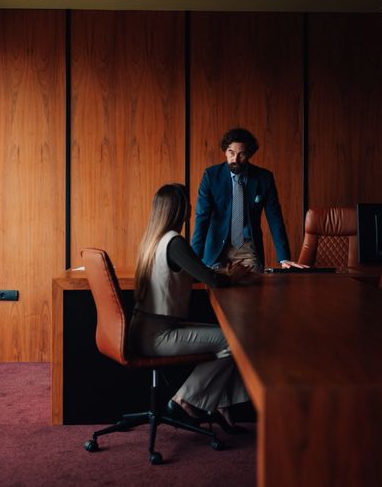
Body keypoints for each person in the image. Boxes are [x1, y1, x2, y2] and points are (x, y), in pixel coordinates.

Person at [130, 183, 252, 433]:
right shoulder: (175, 242)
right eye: (188, 205)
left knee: (228, 334)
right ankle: (185, 398)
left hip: (144, 329)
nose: (190, 209)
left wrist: (219, 274)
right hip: (158, 335)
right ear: (182, 210)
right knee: (235, 339)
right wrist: (235, 276)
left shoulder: (152, 241)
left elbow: (195, 273)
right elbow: (212, 280)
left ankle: (221, 407)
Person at [191, 128, 306, 272]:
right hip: (216, 249)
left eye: (241, 154)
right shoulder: (211, 176)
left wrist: (284, 258)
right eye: (231, 152)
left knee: (253, 284)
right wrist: (193, 258)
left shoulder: (264, 178)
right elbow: (202, 218)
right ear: (225, 151)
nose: (235, 159)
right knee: (215, 285)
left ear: (249, 154)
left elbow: (275, 218)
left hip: (247, 248)